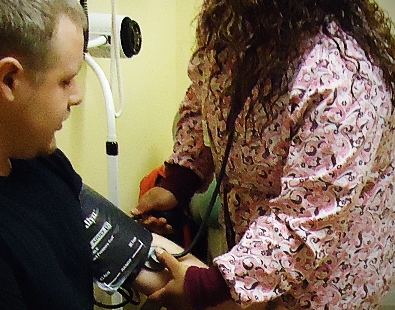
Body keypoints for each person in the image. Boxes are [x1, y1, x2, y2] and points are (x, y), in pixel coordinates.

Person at [132, 0, 395, 309]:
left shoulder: (342, 81)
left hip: (329, 278)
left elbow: (308, 223)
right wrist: (179, 181)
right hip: (256, 250)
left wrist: (207, 287)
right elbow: (201, 100)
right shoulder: (235, 31)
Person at [0, 1, 208, 309]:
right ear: (10, 79)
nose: (77, 96)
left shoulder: (42, 162)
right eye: (66, 80)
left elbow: (147, 259)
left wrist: (224, 293)